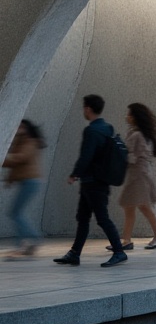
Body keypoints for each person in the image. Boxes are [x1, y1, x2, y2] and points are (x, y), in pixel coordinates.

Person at [54, 95, 127, 268]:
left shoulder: (91, 130)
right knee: (83, 217)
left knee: (101, 218)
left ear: (88, 109)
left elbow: (86, 156)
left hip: (92, 181)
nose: (83, 111)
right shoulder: (107, 128)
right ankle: (74, 253)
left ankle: (119, 251)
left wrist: (74, 174)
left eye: (83, 108)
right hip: (99, 181)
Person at [114, 103, 156, 250]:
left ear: (135, 117)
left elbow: (137, 156)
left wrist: (121, 153)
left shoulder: (137, 135)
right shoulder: (139, 133)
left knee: (140, 206)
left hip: (139, 176)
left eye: (129, 114)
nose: (127, 117)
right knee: (132, 206)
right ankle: (127, 240)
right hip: (138, 175)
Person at [4, 119, 45, 258]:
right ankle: (28, 244)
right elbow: (13, 161)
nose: (18, 128)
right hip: (27, 182)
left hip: (31, 182)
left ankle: (30, 239)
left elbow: (20, 158)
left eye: (21, 126)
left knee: (15, 213)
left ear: (27, 128)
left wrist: (3, 159)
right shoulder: (21, 140)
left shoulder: (30, 141)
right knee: (16, 213)